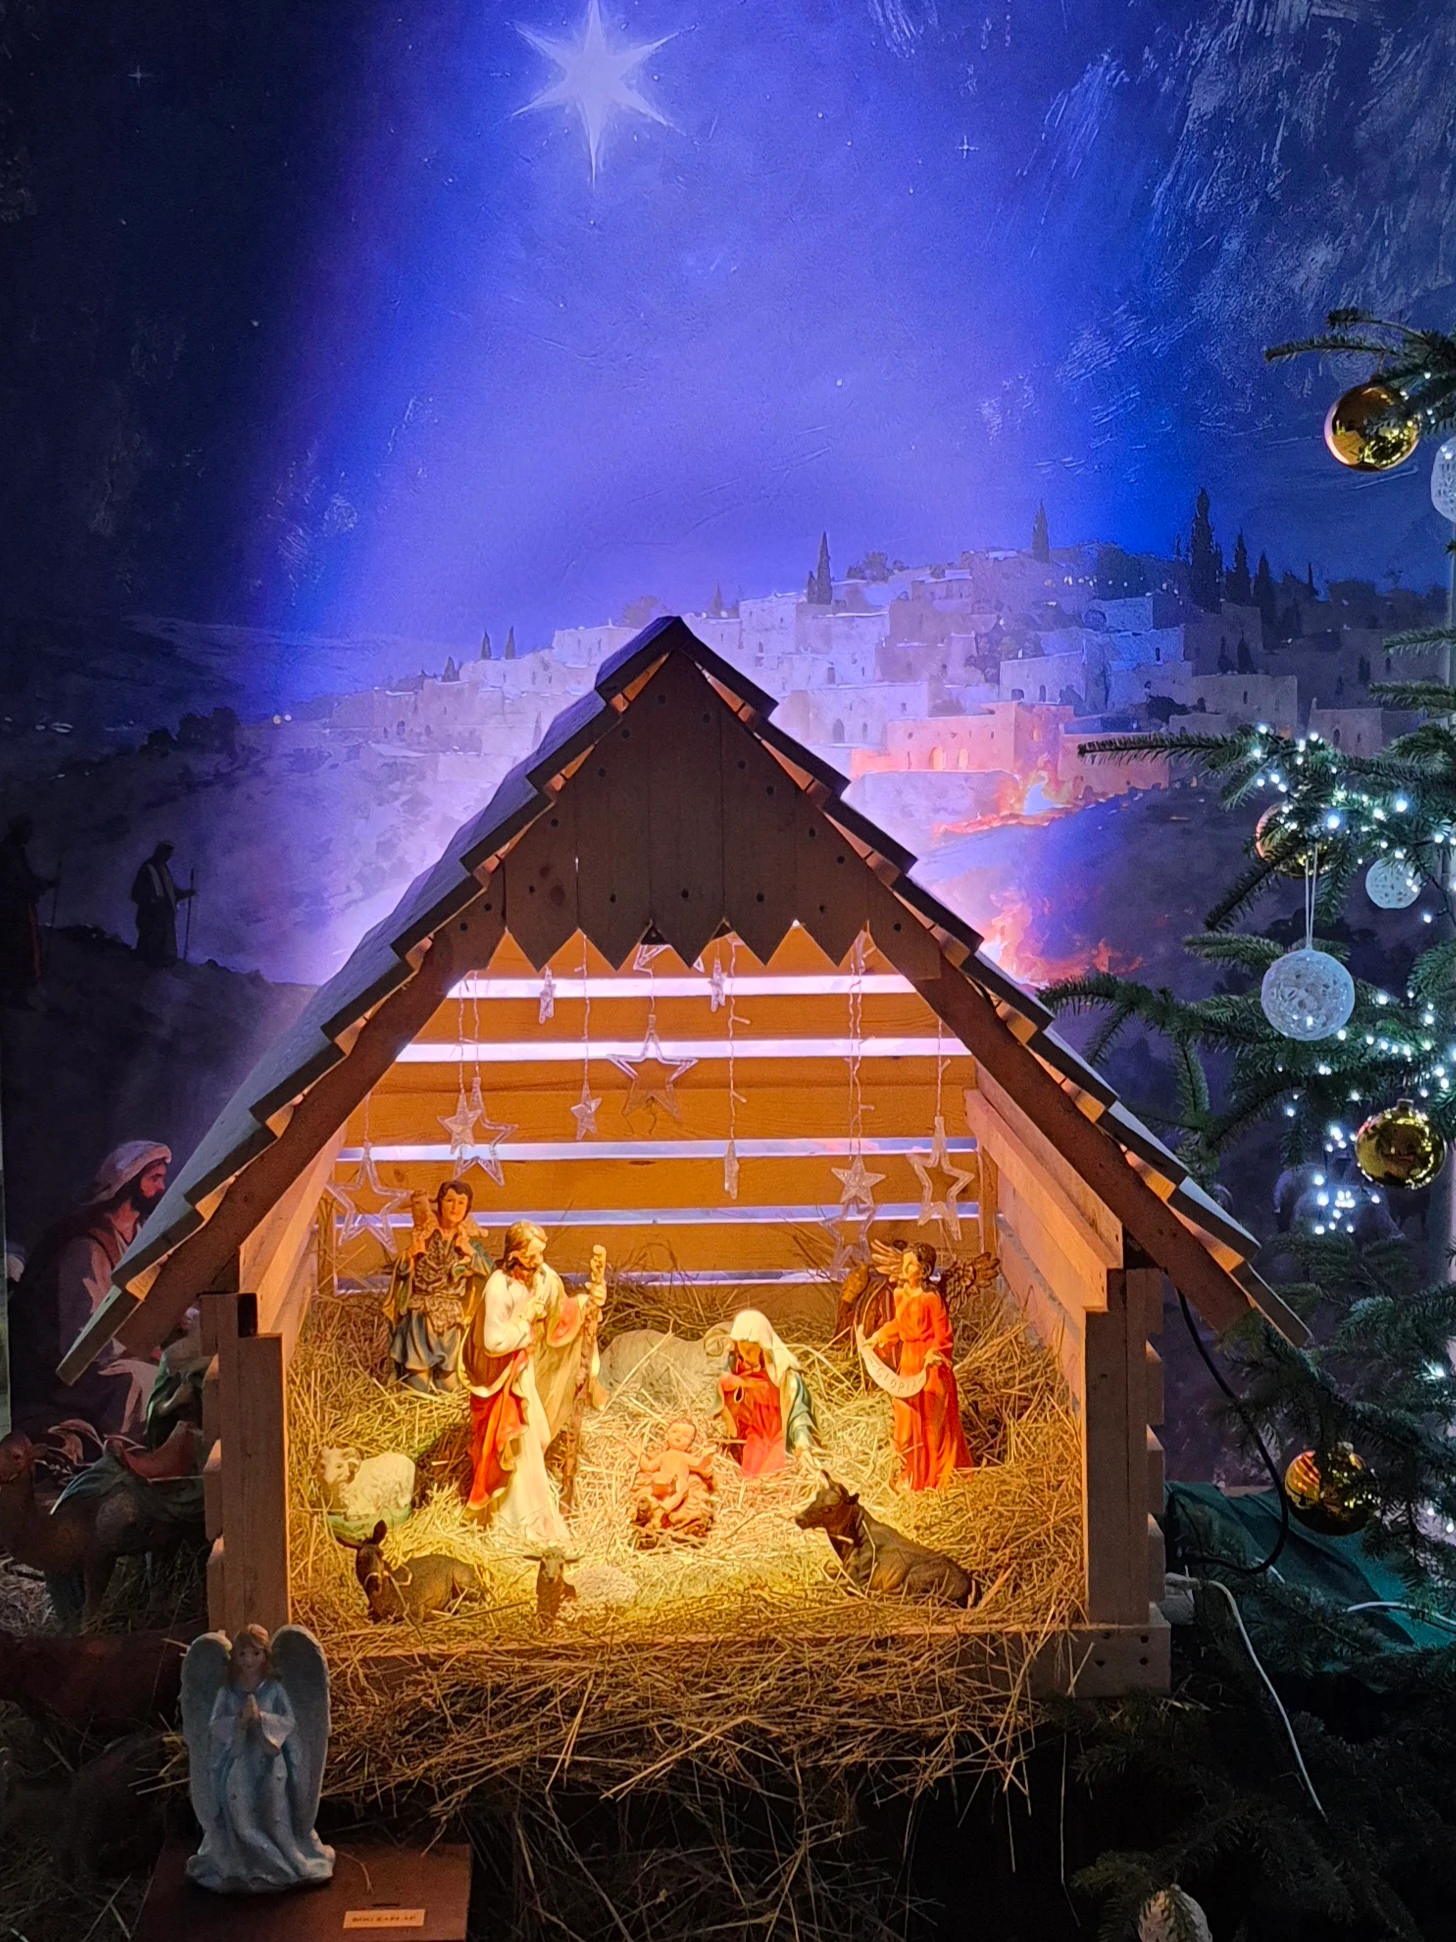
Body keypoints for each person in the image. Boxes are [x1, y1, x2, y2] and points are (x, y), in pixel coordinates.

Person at [6, 1141, 171, 1438]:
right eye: (154, 1179)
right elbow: (81, 1337)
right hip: (69, 1373)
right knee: (139, 1382)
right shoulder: (86, 1246)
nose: (162, 1188)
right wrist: (145, 1347)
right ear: (129, 1182)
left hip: (121, 1353)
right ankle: (126, 1452)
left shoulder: (139, 1234)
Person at [458, 1221, 600, 1544]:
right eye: (532, 1256)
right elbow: (492, 1341)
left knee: (539, 1436)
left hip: (525, 1371)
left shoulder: (542, 1277)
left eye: (540, 1255)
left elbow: (559, 1312)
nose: (538, 1262)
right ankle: (515, 1522)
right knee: (517, 1444)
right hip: (503, 1380)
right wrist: (525, 1323)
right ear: (515, 1254)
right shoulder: (499, 1288)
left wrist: (587, 1304)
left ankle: (533, 1513)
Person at [185, 1626, 334, 1894]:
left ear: (265, 1656)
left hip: (270, 1764)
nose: (249, 1660)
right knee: (240, 1818)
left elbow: (288, 1721)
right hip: (238, 1762)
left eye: (256, 1654)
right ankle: (242, 1866)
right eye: (243, 1654)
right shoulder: (227, 1692)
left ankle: (281, 1866)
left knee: (275, 1816)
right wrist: (239, 1723)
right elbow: (215, 1724)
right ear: (235, 1657)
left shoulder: (274, 1689)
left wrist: (261, 1720)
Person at [867, 1241, 973, 1492]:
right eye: (904, 1263)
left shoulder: (931, 1298)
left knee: (933, 1425)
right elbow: (898, 1325)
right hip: (908, 1363)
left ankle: (936, 1478)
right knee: (906, 1423)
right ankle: (911, 1472)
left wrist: (935, 1352)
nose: (904, 1268)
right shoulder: (899, 1294)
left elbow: (943, 1333)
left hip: (930, 1368)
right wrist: (880, 1336)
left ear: (924, 1270)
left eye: (910, 1264)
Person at [383, 1179, 493, 1393]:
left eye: (461, 1203)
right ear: (439, 1203)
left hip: (451, 1320)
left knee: (449, 1385)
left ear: (467, 1208)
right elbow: (403, 1273)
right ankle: (416, 1388)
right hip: (421, 1317)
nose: (455, 1207)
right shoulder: (424, 1235)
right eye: (449, 1200)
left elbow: (489, 1275)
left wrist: (471, 1256)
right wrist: (410, 1257)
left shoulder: (469, 1243)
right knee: (416, 1383)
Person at [717, 1309, 819, 1476]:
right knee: (749, 1475)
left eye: (751, 1349)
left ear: (763, 1347)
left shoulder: (786, 1376)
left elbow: (800, 1414)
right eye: (742, 1347)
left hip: (781, 1433)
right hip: (756, 1432)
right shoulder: (738, 1365)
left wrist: (803, 1446)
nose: (746, 1354)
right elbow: (727, 1396)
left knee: (769, 1476)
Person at [0, 815, 54, 1007]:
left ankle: (14, 993)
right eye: (27, 830)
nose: (30, 835)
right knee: (20, 950)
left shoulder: (11, 850)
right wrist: (41, 886)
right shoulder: (10, 853)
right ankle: (16, 995)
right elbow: (19, 881)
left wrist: (44, 884)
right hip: (15, 910)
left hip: (11, 908)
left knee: (14, 950)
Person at [130, 841, 194, 965]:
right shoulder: (148, 868)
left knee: (162, 944)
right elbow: (137, 892)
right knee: (148, 942)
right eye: (167, 854)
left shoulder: (163, 869)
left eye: (169, 854)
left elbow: (171, 892)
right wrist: (151, 901)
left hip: (164, 915)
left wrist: (185, 893)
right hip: (151, 914)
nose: (168, 857)